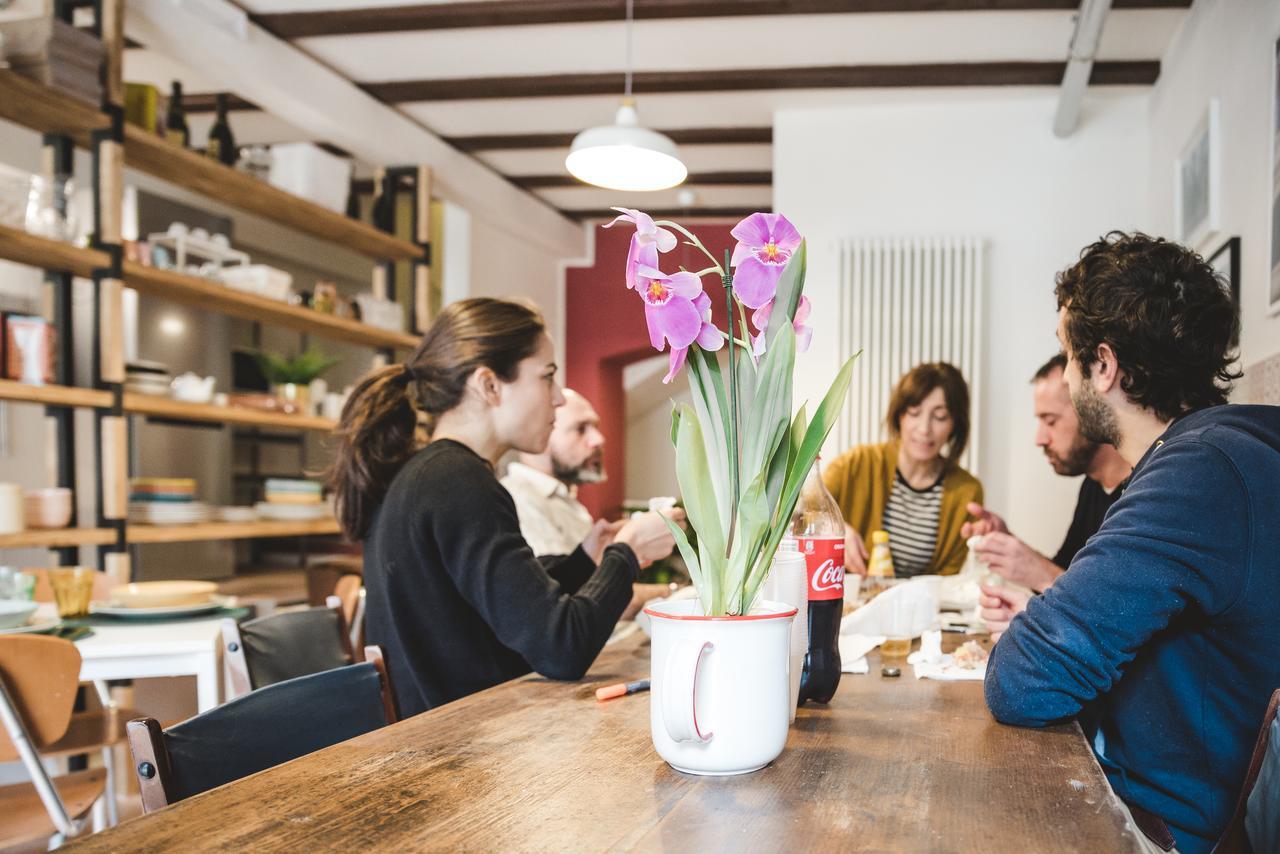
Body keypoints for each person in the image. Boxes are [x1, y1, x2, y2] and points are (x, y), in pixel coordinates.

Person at [983, 232, 1280, 854]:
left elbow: (1020, 681)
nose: (1066, 377)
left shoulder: (1197, 475)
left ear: (1104, 365)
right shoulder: (1226, 451)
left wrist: (1051, 628)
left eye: (1067, 357)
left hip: (1168, 829)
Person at [328, 298, 677, 716]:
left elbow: (509, 603)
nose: (558, 400)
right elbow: (561, 648)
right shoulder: (459, 482)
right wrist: (628, 553)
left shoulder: (433, 474)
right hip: (463, 755)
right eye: (547, 378)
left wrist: (587, 559)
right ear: (489, 385)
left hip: (443, 739)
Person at [962, 353, 1131, 592]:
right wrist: (1010, 544)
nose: (1039, 439)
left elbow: (1120, 612)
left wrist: (1041, 573)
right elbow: (1066, 574)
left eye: (1050, 421)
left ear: (1091, 410)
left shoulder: (1140, 493)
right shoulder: (1092, 485)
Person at [502, 387, 672, 613]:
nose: (598, 439)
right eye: (580, 429)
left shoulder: (570, 504)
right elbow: (570, 597)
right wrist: (668, 590)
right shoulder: (518, 502)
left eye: (596, 427)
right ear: (541, 434)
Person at [823, 362, 982, 577]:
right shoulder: (856, 463)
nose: (925, 429)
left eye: (940, 416)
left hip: (919, 608)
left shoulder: (967, 492)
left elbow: (945, 582)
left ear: (955, 424)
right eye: (915, 412)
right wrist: (833, 529)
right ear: (899, 415)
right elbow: (797, 514)